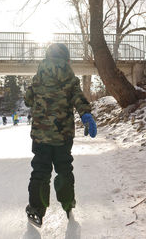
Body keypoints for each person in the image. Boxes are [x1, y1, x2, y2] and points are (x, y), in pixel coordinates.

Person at [24, 43, 97, 227]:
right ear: (67, 59)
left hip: (41, 134)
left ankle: (36, 210)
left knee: (41, 170)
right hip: (63, 134)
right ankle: (67, 202)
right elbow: (78, 99)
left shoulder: (38, 76)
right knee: (64, 168)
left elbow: (27, 100)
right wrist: (86, 114)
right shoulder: (69, 77)